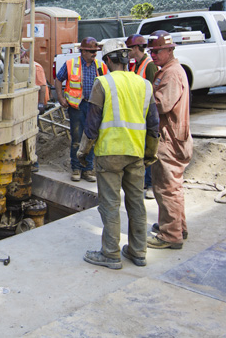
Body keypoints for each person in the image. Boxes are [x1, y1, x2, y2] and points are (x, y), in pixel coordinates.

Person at [77, 39, 160, 269]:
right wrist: (150, 154)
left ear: (107, 60)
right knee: (136, 204)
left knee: (110, 205)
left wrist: (82, 152)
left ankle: (111, 253)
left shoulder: (102, 83)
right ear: (126, 59)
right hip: (136, 153)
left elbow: (91, 126)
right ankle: (138, 251)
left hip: (110, 155)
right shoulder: (144, 85)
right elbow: (154, 125)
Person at [147, 30, 192, 249]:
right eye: (151, 51)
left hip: (170, 138)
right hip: (174, 136)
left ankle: (170, 235)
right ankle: (177, 227)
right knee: (173, 186)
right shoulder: (169, 70)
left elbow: (162, 105)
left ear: (170, 50)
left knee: (166, 187)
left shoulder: (172, 73)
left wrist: (143, 100)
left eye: (157, 51)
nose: (153, 55)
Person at [54, 37, 107, 182]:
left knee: (91, 137)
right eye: (90, 51)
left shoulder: (100, 66)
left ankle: (88, 169)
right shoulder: (71, 64)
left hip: (94, 106)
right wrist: (60, 97)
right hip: (77, 106)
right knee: (77, 138)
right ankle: (76, 168)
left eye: (95, 51)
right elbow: (58, 79)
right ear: (82, 51)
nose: (93, 54)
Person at [126, 34, 159, 199]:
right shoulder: (136, 65)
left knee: (149, 148)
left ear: (135, 48)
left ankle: (151, 184)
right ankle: (145, 182)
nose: (128, 53)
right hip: (138, 113)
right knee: (140, 148)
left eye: (129, 49)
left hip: (146, 113)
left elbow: (153, 92)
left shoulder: (149, 65)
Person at [20, 44, 50, 113]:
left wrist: (41, 104)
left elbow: (42, 87)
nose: (20, 63)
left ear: (26, 57)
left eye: (21, 60)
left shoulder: (36, 68)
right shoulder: (24, 67)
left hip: (37, 100)